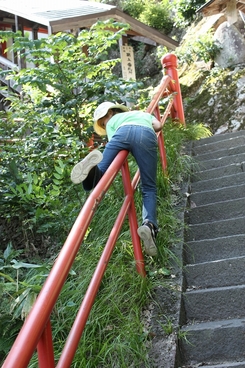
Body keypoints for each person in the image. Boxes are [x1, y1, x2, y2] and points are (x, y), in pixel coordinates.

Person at [71, 102, 162, 256]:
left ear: (110, 113)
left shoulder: (112, 122)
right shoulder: (142, 114)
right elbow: (158, 125)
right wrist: (144, 127)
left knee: (101, 175)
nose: (104, 124)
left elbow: (119, 149)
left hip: (121, 134)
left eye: (103, 121)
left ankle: (92, 168)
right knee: (149, 187)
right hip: (146, 133)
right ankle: (149, 225)